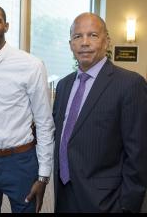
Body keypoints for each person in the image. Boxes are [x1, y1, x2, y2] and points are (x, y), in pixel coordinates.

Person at [53, 12, 147, 213]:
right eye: (78, 37)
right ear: (71, 44)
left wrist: (127, 206)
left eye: (93, 35)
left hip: (107, 200)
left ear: (107, 42)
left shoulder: (130, 84)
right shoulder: (63, 85)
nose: (84, 42)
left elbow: (138, 154)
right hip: (65, 193)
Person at [0, 3, 55, 213]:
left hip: (20, 161)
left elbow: (44, 122)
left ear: (6, 26)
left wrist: (43, 176)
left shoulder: (31, 65)